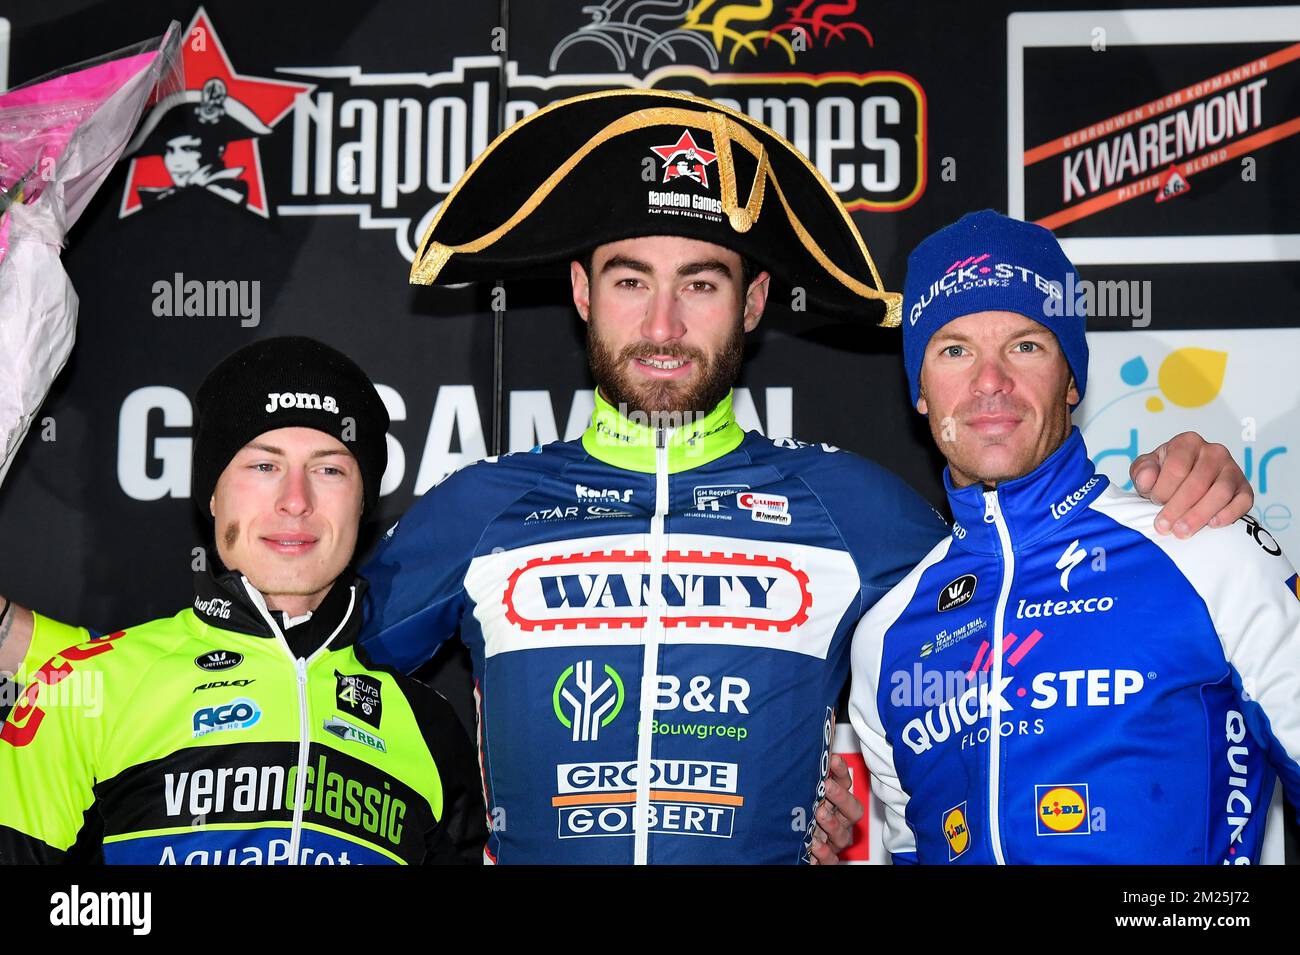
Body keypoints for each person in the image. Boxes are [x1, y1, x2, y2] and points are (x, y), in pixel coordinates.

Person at [356, 91, 1251, 863]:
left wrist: (1169, 482)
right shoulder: (480, 508)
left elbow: (1026, 591)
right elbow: (312, 665)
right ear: (584, 292)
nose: (663, 323)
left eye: (701, 284)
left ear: (751, 303)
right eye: (633, 281)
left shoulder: (858, 511)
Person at [848, 210, 1300, 864]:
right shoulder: (886, 638)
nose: (989, 383)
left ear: (1072, 378)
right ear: (921, 389)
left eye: (1025, 345)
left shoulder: (1202, 542)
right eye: (954, 350)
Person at [0, 337, 485, 864]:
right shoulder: (81, 688)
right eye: (263, 466)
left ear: (364, 501)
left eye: (329, 469)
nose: (295, 501)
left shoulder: (428, 729)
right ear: (212, 493)